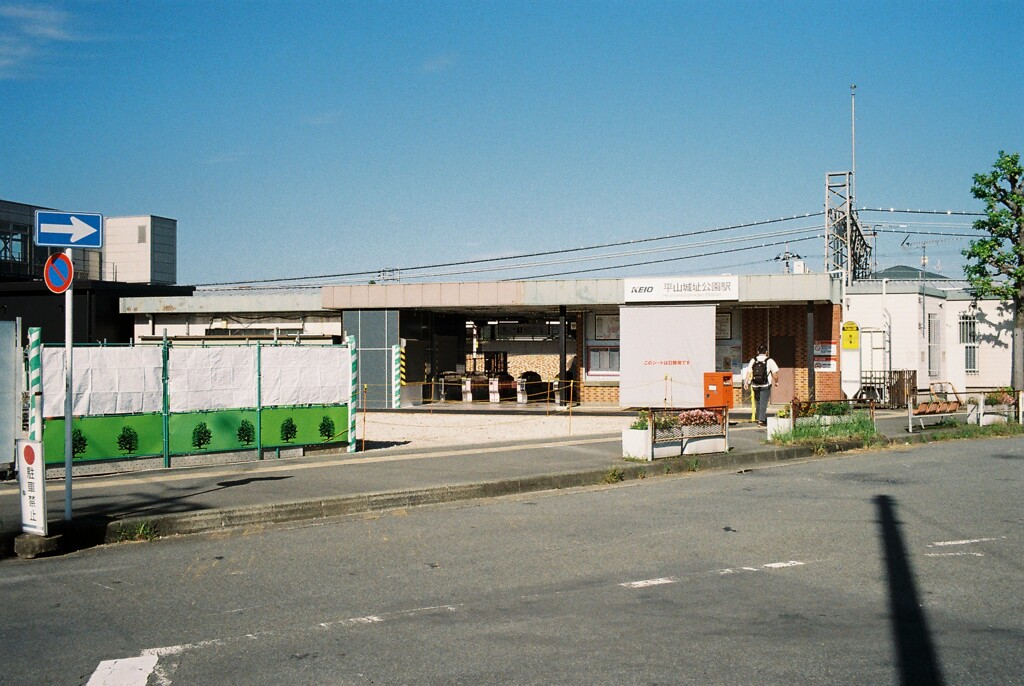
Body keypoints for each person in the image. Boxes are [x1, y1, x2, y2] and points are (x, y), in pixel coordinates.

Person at [744, 344, 779, 426]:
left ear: (758, 352)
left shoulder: (753, 360)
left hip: (755, 384)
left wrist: (746, 382)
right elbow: (775, 374)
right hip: (765, 385)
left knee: (758, 402)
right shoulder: (769, 360)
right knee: (763, 402)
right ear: (766, 352)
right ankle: (761, 420)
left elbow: (749, 372)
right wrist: (776, 382)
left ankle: (758, 417)